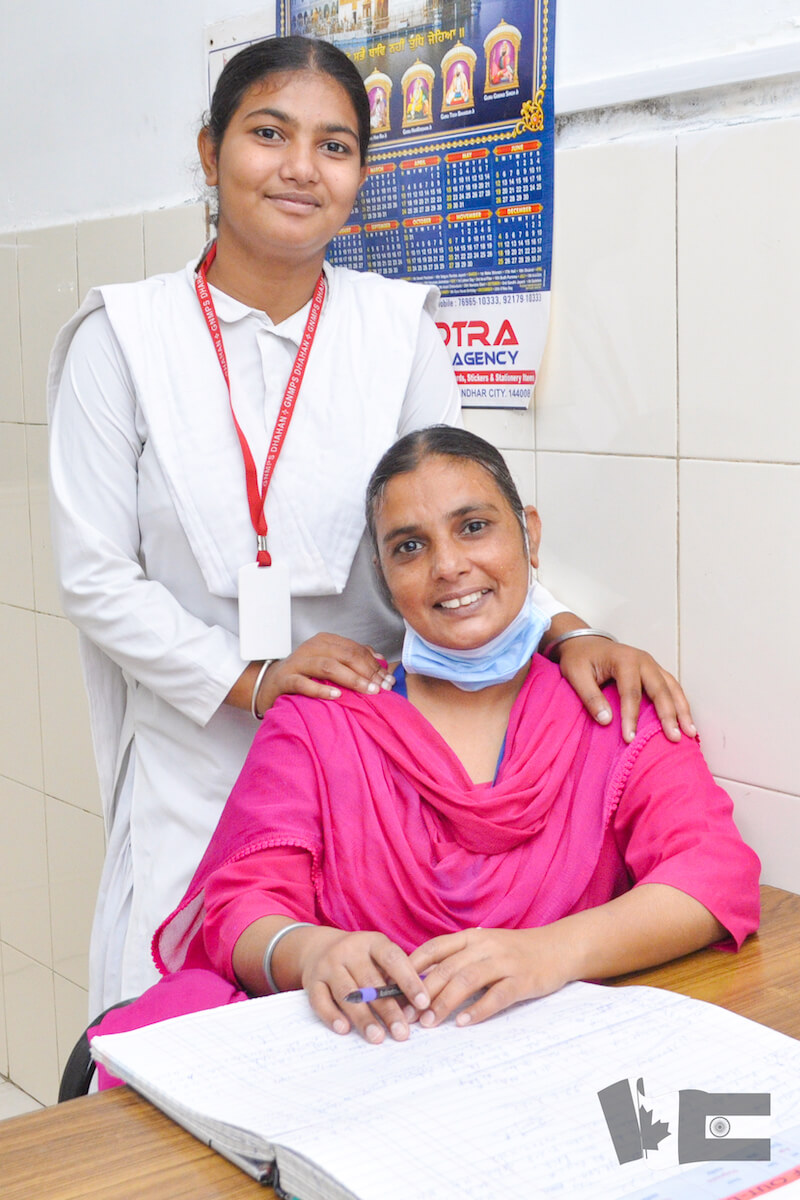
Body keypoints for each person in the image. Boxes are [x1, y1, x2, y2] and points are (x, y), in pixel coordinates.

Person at [49, 36, 693, 1015]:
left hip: (369, 771)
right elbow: (95, 577)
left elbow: (456, 513)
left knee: (363, 1036)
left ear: (361, 172)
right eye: (269, 134)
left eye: (334, 144)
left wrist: (571, 632)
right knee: (177, 1039)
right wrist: (252, 680)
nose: (301, 167)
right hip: (194, 755)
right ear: (209, 149)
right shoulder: (121, 338)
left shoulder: (398, 328)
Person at [90, 425, 757, 1069]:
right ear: (383, 575)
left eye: (474, 526)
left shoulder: (612, 709)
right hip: (366, 1075)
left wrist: (549, 955)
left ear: (530, 534)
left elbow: (713, 873)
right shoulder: (322, 722)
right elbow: (242, 907)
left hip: (561, 1077)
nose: (448, 566)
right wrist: (312, 951)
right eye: (409, 547)